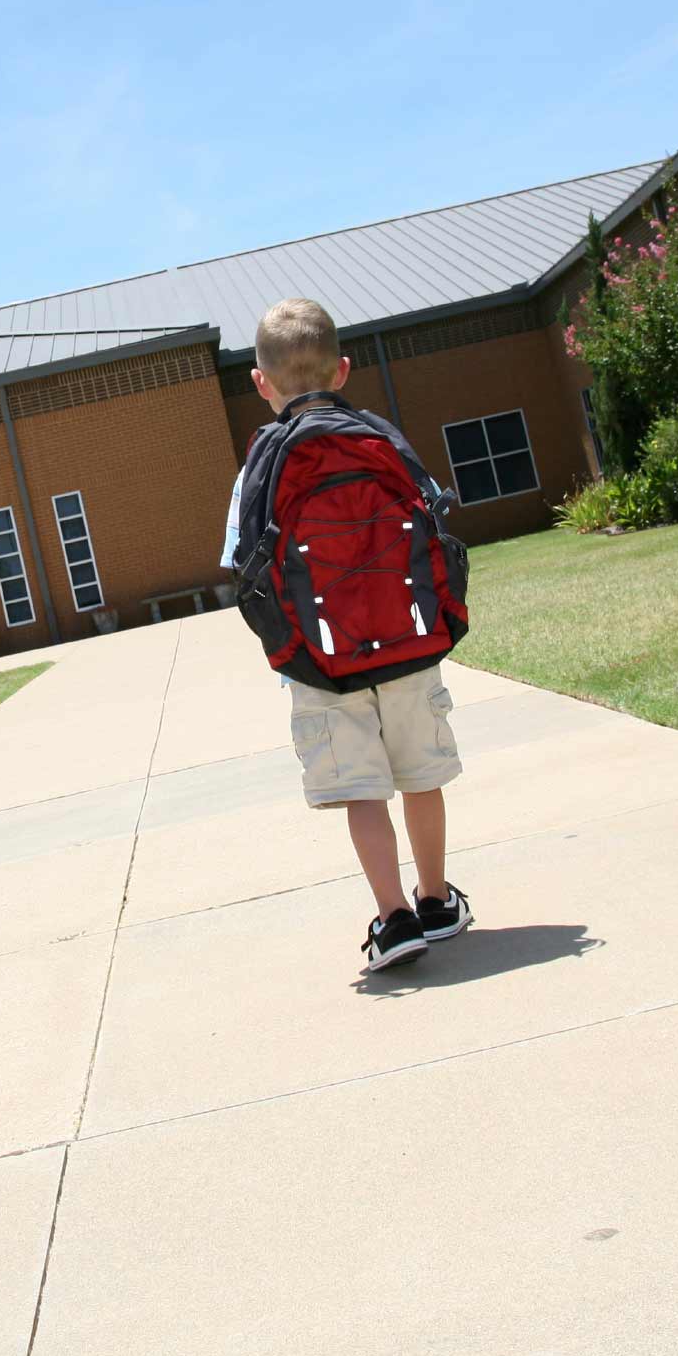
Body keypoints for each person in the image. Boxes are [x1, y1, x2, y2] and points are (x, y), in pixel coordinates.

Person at [222, 297, 473, 974]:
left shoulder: (258, 468)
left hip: (320, 664)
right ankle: (436, 900)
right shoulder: (380, 437)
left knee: (363, 792)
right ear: (343, 371)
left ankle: (393, 920)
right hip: (410, 645)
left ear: (259, 382)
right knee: (421, 778)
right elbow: (431, 521)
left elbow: (243, 570)